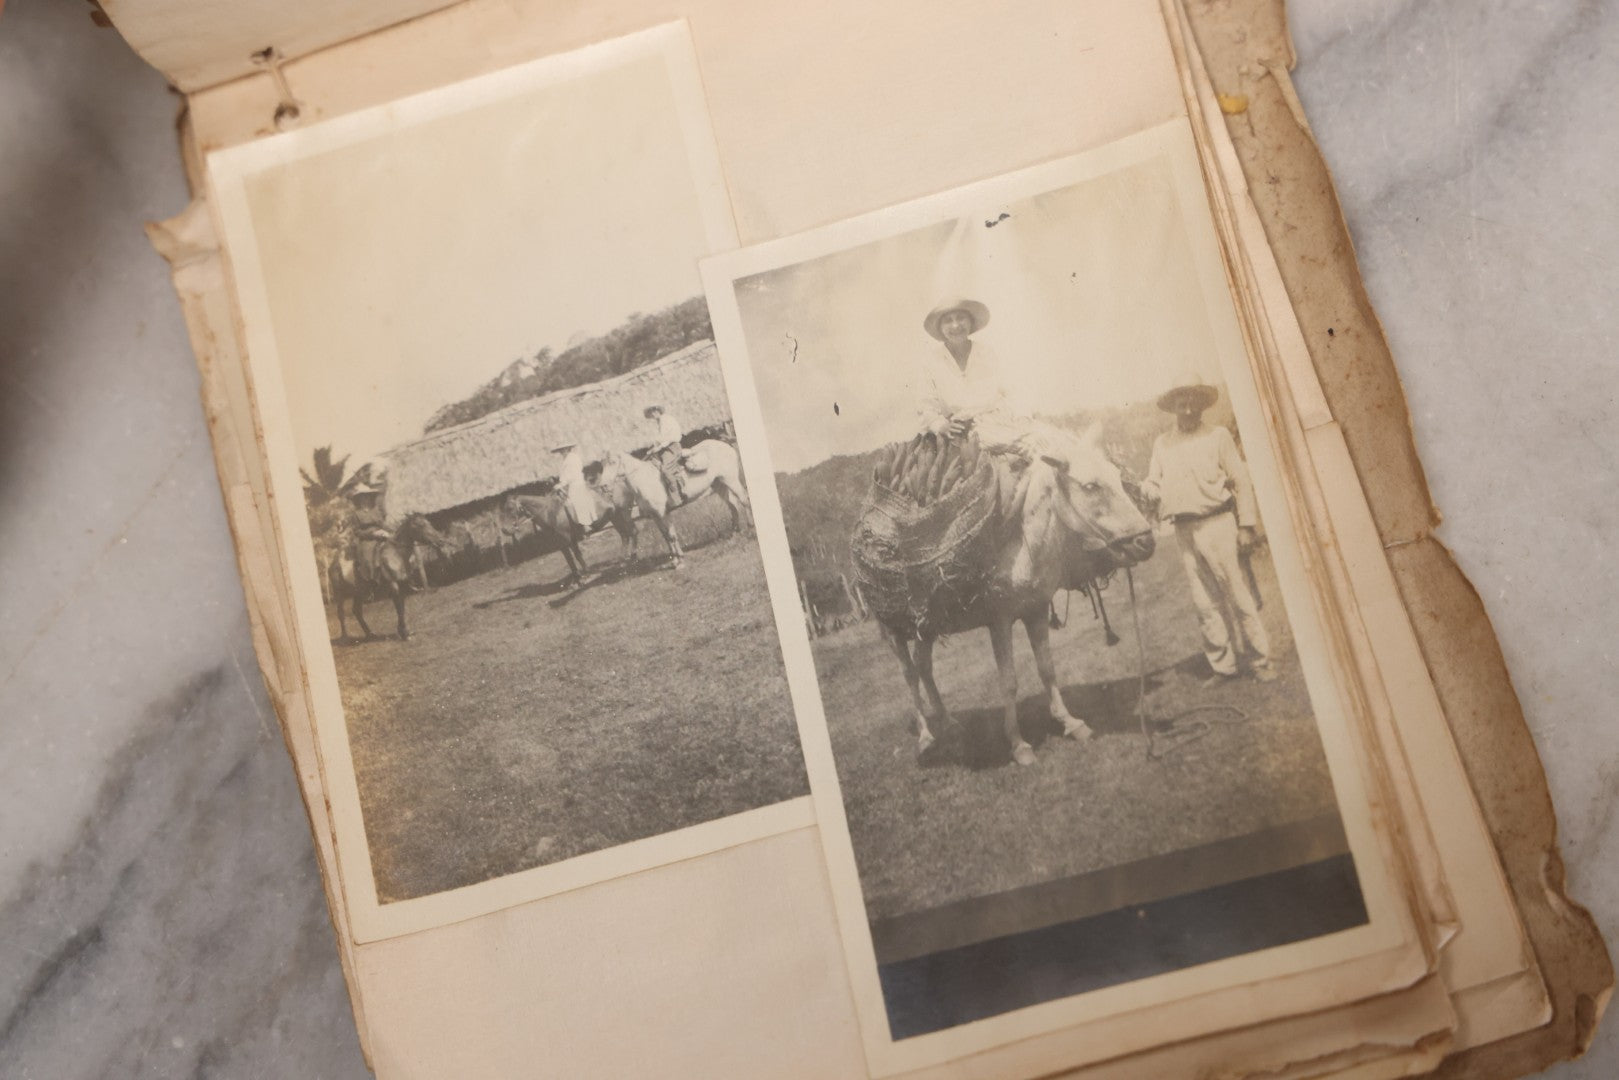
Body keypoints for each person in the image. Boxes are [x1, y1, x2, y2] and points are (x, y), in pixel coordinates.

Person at [1140, 379, 1275, 682]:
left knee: (1238, 595)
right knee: (1204, 602)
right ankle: (1223, 666)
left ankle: (1260, 661)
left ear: (1201, 404)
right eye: (1181, 404)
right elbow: (1154, 480)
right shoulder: (1163, 443)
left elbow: (1240, 481)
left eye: (1193, 403)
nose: (1187, 409)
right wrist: (1148, 488)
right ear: (1173, 407)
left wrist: (1246, 525)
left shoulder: (1218, 436)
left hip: (1219, 524)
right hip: (1184, 531)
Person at [551, 442, 598, 535]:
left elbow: (573, 474)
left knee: (575, 500)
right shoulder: (566, 460)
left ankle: (586, 524)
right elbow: (564, 475)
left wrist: (561, 484)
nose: (561, 452)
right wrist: (560, 484)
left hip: (577, 483)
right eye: (560, 451)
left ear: (567, 449)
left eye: (562, 450)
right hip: (569, 484)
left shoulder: (573, 458)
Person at [643, 403, 687, 503]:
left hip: (672, 447)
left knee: (665, 468)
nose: (653, 414)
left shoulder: (665, 419)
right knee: (654, 465)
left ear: (658, 411)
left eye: (654, 411)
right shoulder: (659, 422)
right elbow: (661, 439)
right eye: (651, 413)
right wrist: (653, 449)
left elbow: (669, 438)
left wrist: (658, 448)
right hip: (666, 448)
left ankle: (678, 494)